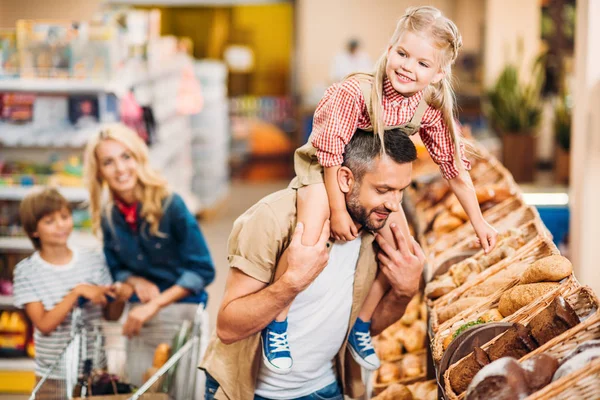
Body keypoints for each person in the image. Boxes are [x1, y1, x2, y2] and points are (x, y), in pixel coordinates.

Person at [262, 5, 499, 374]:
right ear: (389, 49)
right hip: (327, 167)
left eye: (423, 63)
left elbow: (454, 169)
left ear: (438, 73)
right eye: (403, 54)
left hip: (373, 176)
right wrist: (339, 211)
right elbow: (328, 154)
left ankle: (362, 325)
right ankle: (277, 323)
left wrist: (479, 222)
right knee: (310, 231)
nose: (408, 67)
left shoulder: (429, 107)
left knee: (405, 250)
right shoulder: (355, 91)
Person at [200, 128, 425, 400]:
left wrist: (404, 292)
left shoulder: (375, 227)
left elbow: (367, 327)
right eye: (383, 189)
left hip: (325, 388)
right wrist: (291, 283)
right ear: (345, 179)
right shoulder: (273, 219)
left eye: (401, 191)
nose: (393, 204)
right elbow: (228, 328)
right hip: (252, 392)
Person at [83, 123, 215, 389]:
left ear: (138, 158)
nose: (120, 169)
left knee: (181, 391)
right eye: (109, 162)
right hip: (139, 319)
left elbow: (202, 269)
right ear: (99, 172)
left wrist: (154, 304)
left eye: (126, 157)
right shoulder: (109, 217)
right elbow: (116, 267)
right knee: (138, 390)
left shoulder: (171, 204)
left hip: (182, 313)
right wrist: (133, 281)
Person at [13, 187, 131, 399]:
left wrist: (119, 296)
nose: (61, 225)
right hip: (52, 376)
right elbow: (44, 324)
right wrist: (76, 292)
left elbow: (111, 316)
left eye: (65, 217)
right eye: (50, 221)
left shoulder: (93, 260)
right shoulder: (27, 271)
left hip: (95, 374)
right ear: (33, 231)